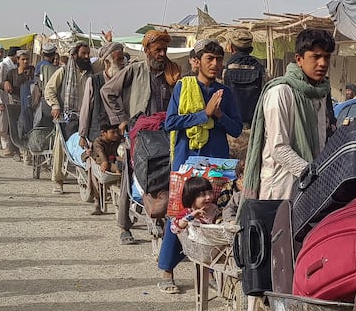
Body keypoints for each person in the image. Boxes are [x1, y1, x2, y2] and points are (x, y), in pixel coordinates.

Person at [242, 28, 335, 311]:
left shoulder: (322, 95)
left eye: (327, 57)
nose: (322, 63)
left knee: (299, 265)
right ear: (299, 59)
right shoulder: (281, 92)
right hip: (278, 192)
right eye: (315, 56)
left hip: (310, 193)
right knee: (267, 266)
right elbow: (279, 148)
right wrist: (313, 172)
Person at [158, 39, 243, 293]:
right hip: (186, 161)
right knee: (180, 214)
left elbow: (237, 129)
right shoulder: (183, 87)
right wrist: (203, 114)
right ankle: (166, 269)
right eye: (210, 59)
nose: (215, 64)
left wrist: (218, 116)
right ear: (197, 62)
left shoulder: (224, 93)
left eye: (219, 59)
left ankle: (213, 270)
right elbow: (170, 122)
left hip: (216, 164)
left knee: (214, 215)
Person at [101, 30, 181, 245]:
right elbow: (107, 91)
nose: (162, 54)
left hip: (166, 132)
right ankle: (124, 225)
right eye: (157, 50)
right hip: (140, 133)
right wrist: (121, 118)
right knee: (132, 172)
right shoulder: (134, 70)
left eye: (165, 50)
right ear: (146, 51)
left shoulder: (174, 73)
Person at [44, 41, 102, 193]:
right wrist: (55, 105)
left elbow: (105, 61)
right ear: (74, 55)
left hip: (88, 116)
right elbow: (49, 89)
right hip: (68, 117)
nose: (87, 57)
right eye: (83, 53)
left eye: (88, 54)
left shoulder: (93, 70)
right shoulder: (63, 71)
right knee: (60, 146)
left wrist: (107, 42)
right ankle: (58, 180)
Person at [221, 29, 266, 127]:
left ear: (231, 48)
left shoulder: (224, 71)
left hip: (231, 128)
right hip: (255, 128)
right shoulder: (262, 70)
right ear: (251, 49)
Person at [85, 123, 123, 215]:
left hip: (113, 161)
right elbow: (100, 152)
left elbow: (119, 153)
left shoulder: (117, 140)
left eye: (117, 132)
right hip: (99, 163)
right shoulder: (98, 141)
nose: (116, 134)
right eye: (112, 132)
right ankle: (97, 202)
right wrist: (105, 162)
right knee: (95, 178)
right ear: (103, 133)